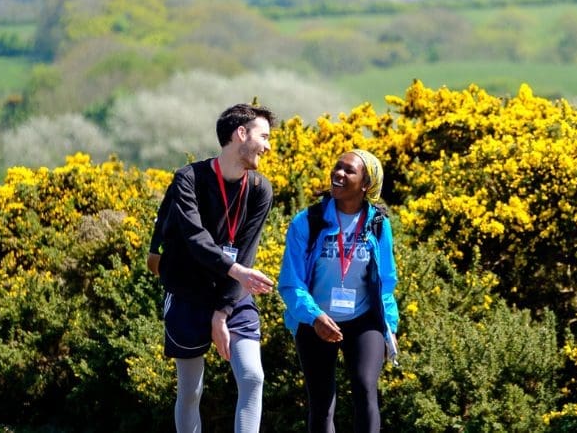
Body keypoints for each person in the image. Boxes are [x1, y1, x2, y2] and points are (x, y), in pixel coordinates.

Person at [149, 103, 277, 433]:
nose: (268, 145)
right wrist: (237, 271)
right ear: (241, 134)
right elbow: (194, 238)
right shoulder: (189, 178)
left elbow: (245, 253)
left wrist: (223, 310)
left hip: (233, 293)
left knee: (252, 376)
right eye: (264, 136)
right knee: (191, 390)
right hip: (187, 292)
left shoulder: (261, 189)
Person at [279, 149, 400, 433]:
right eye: (337, 167)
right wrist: (314, 316)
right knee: (321, 404)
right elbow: (290, 282)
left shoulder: (379, 225)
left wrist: (389, 326)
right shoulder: (307, 221)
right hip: (315, 321)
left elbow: (386, 282)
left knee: (365, 388)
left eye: (349, 171)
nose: (339, 174)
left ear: (366, 184)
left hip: (363, 321)